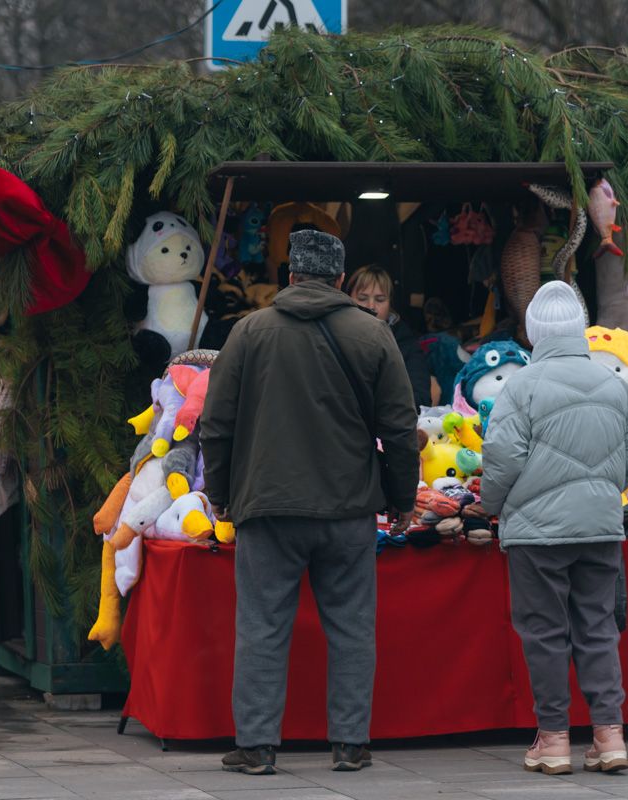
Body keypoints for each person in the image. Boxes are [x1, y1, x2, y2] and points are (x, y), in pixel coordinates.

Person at [200, 230, 420, 775]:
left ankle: (257, 747)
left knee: (261, 626)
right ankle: (349, 743)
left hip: (268, 508)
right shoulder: (372, 334)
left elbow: (216, 425)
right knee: (351, 627)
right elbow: (399, 429)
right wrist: (401, 499)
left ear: (291, 275)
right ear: (341, 280)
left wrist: (220, 495)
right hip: (348, 508)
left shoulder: (249, 332)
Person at [481, 281, 628, 776]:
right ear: (579, 328)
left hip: (537, 535)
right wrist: (604, 491)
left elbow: (502, 459)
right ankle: (609, 735)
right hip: (600, 528)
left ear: (534, 332)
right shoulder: (613, 385)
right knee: (598, 628)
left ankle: (553, 740)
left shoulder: (522, 386)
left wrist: (492, 505)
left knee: (545, 632)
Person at [346, 265, 432, 409]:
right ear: (348, 300)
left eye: (380, 300)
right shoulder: (335, 336)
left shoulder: (405, 343)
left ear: (390, 303)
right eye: (362, 298)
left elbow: (421, 397)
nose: (371, 306)